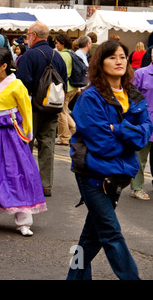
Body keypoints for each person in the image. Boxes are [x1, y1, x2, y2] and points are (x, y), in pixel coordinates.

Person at [67, 39, 152, 280]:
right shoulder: (90, 97)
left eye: (123, 57)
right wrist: (127, 133)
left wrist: (119, 129)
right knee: (112, 233)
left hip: (118, 176)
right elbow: (102, 144)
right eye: (112, 57)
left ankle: (74, 278)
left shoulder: (134, 95)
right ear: (100, 62)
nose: (119, 61)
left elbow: (144, 134)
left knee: (89, 238)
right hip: (93, 176)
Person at [0, 47, 47, 236]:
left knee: (17, 173)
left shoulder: (17, 86)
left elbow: (26, 111)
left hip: (11, 134)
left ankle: (23, 220)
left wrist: (26, 135)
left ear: (4, 65)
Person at [16, 21, 67, 197]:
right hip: (53, 107)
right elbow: (64, 83)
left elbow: (22, 84)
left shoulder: (29, 56)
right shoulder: (57, 56)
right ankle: (46, 185)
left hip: (32, 108)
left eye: (28, 35)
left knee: (26, 144)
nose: (27, 38)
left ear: (34, 36)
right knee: (48, 145)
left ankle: (26, 181)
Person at [128, 51, 153, 201]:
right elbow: (129, 95)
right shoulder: (141, 74)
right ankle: (137, 188)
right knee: (140, 157)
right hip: (144, 122)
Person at [54, 33, 77, 146]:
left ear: (62, 43)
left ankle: (64, 137)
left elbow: (62, 73)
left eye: (57, 43)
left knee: (61, 112)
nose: (56, 45)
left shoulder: (62, 55)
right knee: (64, 111)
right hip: (73, 86)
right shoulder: (71, 53)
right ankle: (75, 131)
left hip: (65, 87)